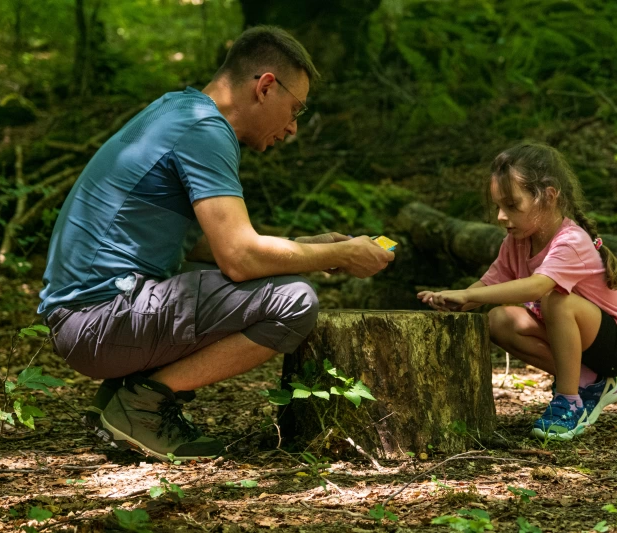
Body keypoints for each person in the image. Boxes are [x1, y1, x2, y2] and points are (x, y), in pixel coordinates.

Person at [38, 26, 394, 461]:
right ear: (265, 86)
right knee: (294, 302)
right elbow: (240, 258)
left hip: (85, 317)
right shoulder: (204, 129)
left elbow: (198, 248)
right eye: (295, 108)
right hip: (97, 321)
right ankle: (143, 407)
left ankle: (122, 397)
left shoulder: (178, 110)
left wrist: (301, 247)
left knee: (252, 280)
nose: (294, 127)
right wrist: (339, 253)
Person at [417, 143, 617, 440]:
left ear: (548, 196)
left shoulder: (571, 240)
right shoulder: (516, 243)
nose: (500, 216)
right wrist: (453, 299)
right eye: (498, 206)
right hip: (578, 341)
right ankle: (591, 382)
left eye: (512, 205)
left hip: (614, 346)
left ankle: (569, 400)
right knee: (498, 320)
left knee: (556, 300)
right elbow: (487, 285)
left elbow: (539, 285)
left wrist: (468, 296)